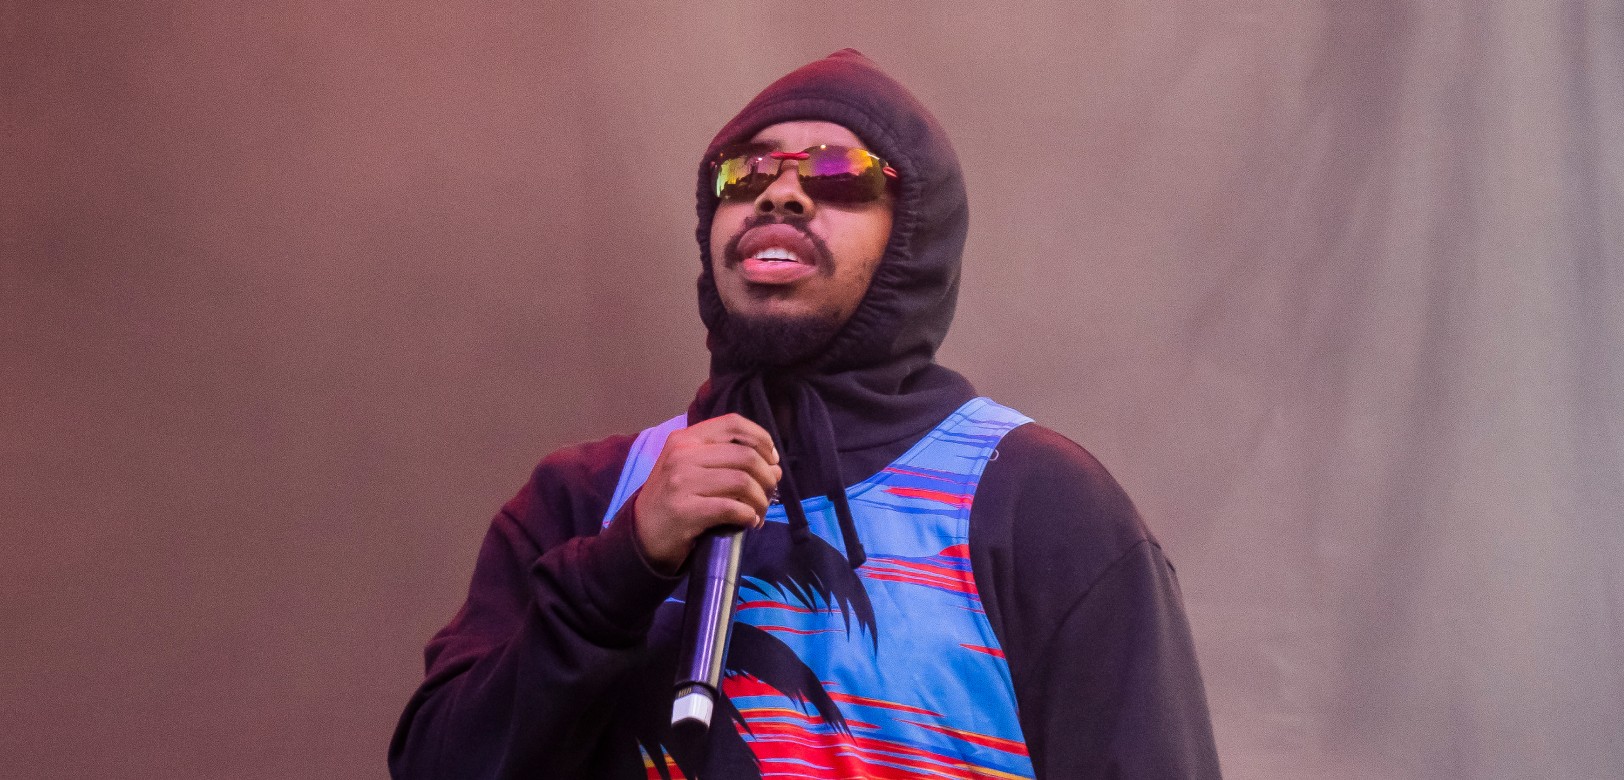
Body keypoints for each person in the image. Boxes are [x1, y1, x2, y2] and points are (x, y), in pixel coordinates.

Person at [390, 49, 1221, 779]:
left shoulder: (1037, 501)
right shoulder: (586, 497)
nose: (780, 195)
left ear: (914, 236)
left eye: (839, 176)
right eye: (745, 174)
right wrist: (624, 564)